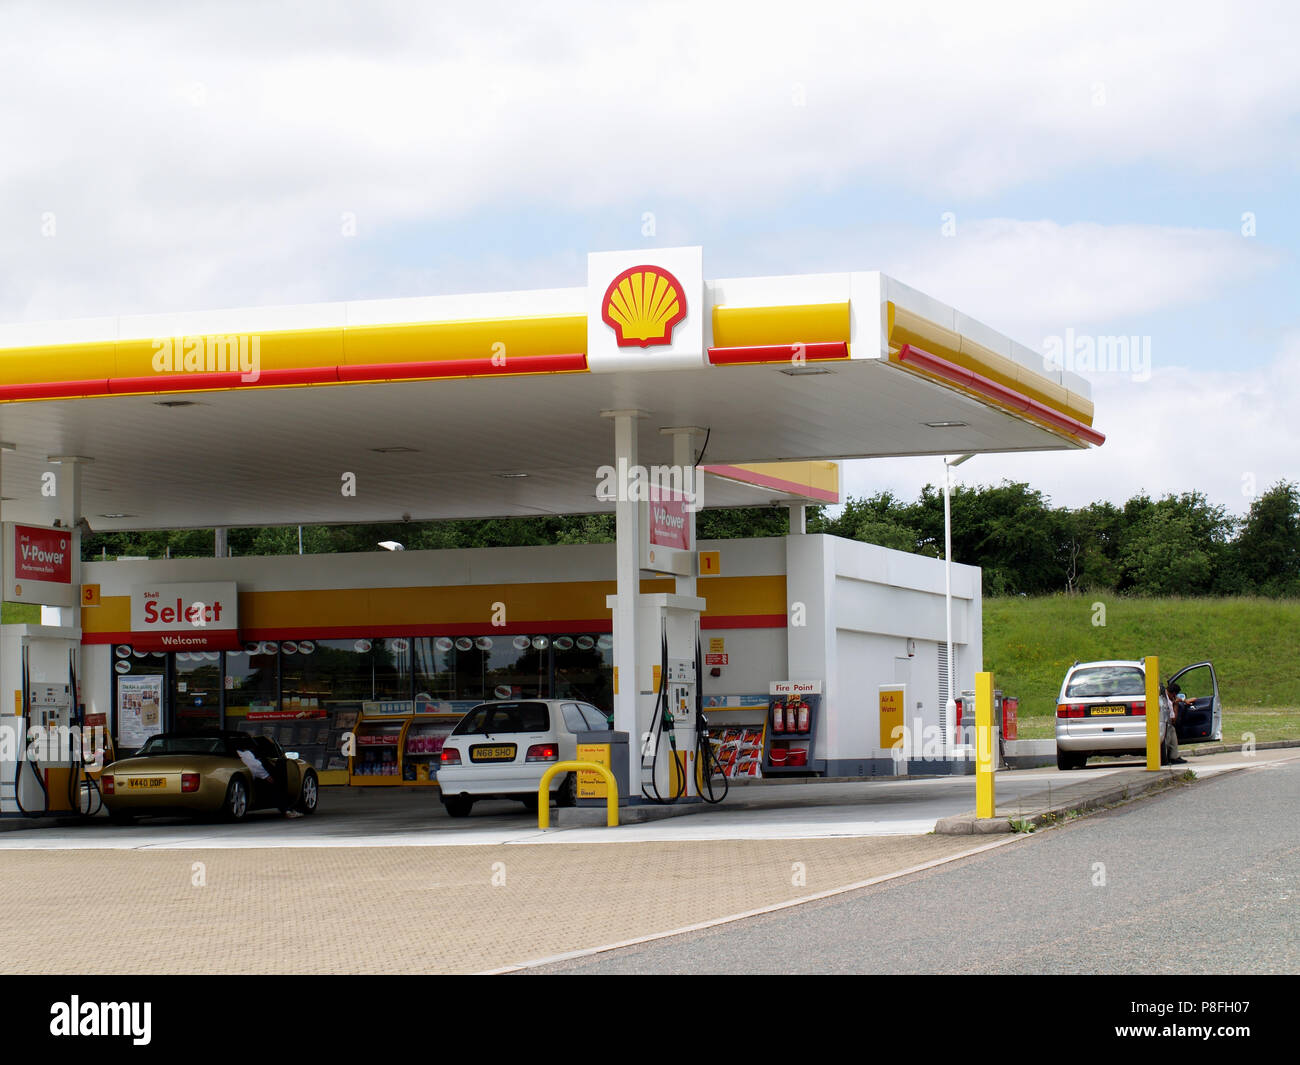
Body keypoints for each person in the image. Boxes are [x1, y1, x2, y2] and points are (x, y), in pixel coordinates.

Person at [236, 740, 301, 817]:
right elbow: (255, 766)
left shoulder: (238, 754)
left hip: (246, 783)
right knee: (278, 777)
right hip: (253, 785)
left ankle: (286, 808)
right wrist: (267, 776)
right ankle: (286, 809)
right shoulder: (245, 754)